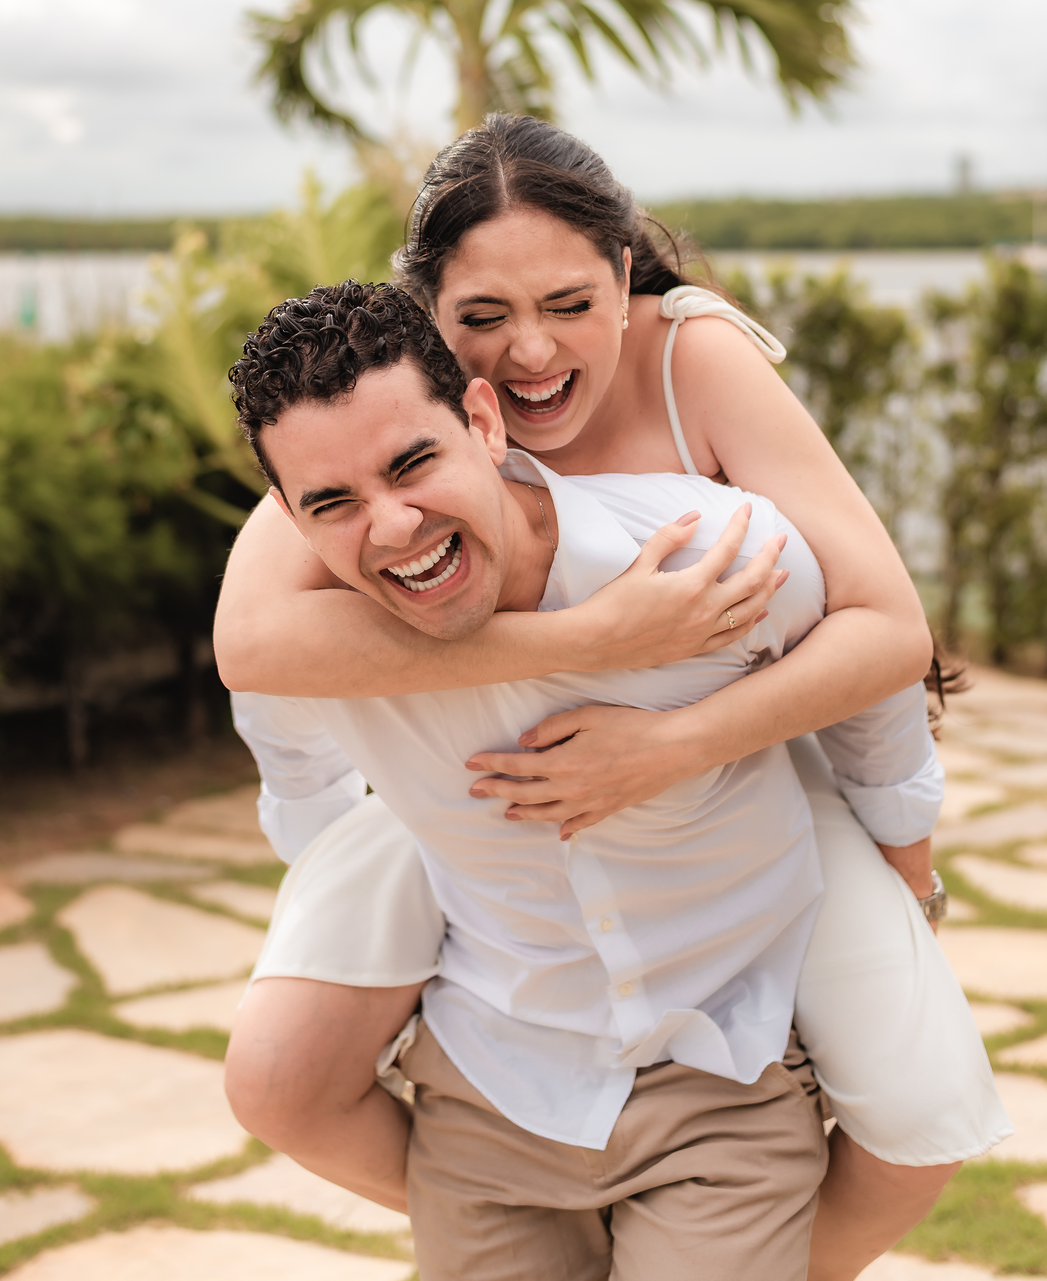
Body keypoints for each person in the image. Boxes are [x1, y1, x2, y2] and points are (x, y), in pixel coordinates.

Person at [215, 117, 1009, 1281]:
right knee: (277, 1071)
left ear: (626, 278)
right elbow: (253, 644)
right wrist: (590, 634)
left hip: (733, 739)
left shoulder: (695, 360)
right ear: (429, 315)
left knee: (920, 1093)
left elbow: (885, 627)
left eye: (571, 305)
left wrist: (695, 758)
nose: (531, 355)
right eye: (483, 319)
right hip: (484, 764)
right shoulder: (384, 431)